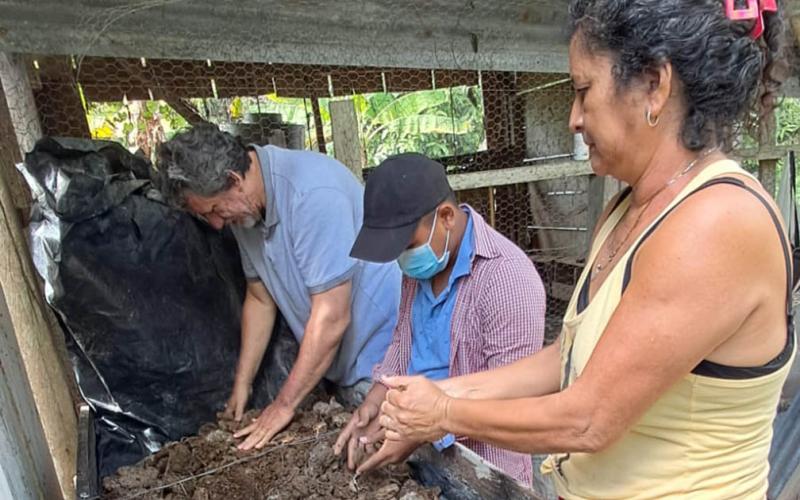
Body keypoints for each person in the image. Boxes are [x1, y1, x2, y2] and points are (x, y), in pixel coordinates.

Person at [375, 1, 796, 498]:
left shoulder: (717, 220)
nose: (574, 118)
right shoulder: (627, 209)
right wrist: (429, 393)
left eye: (582, 90)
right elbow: (568, 359)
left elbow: (590, 417)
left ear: (655, 86)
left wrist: (443, 413)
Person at [157, 124, 401, 451]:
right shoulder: (245, 211)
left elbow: (332, 317)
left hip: (385, 362)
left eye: (215, 209)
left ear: (234, 179)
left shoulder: (312, 195)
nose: (216, 224)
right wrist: (242, 385)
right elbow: (260, 298)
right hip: (341, 365)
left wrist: (283, 405)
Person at [332, 153, 546, 485]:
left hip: (483, 469)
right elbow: (404, 341)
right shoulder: (422, 267)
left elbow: (512, 400)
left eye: (407, 245)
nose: (403, 259)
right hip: (420, 442)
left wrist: (421, 430)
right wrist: (374, 401)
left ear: (446, 216)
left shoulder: (506, 279)